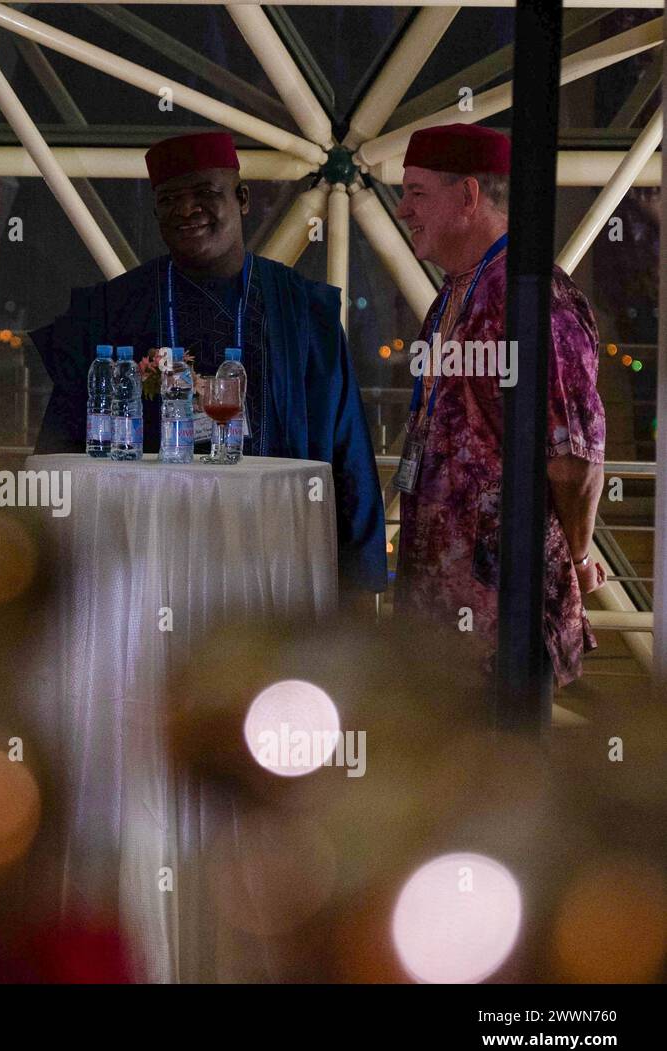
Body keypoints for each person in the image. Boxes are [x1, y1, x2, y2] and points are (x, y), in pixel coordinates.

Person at [32, 131, 386, 596]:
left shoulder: (303, 313)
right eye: (169, 199)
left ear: (241, 198)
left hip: (275, 557)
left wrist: (360, 584)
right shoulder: (112, 310)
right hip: (143, 563)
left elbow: (349, 453)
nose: (186, 210)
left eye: (205, 193)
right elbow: (61, 448)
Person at [393, 123, 605, 688]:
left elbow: (574, 460)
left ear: (468, 195)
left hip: (500, 623)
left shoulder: (531, 299)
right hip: (442, 624)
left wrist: (581, 561)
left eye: (417, 192)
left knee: (497, 771)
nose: (401, 209)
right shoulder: (455, 295)